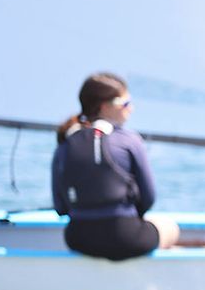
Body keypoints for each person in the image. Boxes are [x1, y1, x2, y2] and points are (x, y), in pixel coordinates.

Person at [51, 72, 179, 260]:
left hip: (78, 239)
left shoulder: (64, 145)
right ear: (105, 107)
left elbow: (61, 207)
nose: (131, 108)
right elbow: (148, 199)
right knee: (170, 227)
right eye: (126, 103)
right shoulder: (129, 140)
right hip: (125, 238)